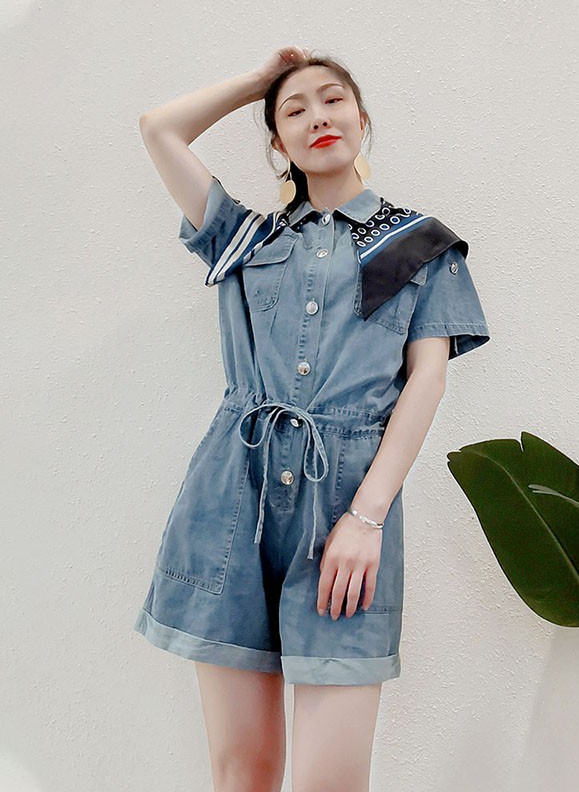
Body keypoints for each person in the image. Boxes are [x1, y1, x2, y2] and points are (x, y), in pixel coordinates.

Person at [133, 46, 490, 792]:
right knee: (243, 772)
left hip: (345, 507)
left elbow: (426, 381)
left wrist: (366, 517)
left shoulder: (419, 245)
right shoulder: (246, 236)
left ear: (362, 117)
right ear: (277, 141)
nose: (317, 117)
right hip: (230, 502)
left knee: (331, 779)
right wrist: (259, 82)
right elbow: (159, 128)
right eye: (293, 110)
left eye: (332, 100)